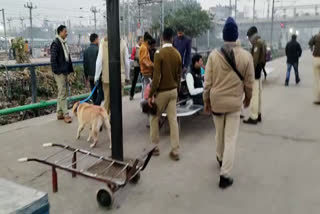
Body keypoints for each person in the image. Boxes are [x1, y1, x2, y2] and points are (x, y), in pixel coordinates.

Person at [203, 17, 254, 189]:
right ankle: (225, 174)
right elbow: (249, 82)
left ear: (223, 36)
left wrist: (206, 101)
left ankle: (219, 157)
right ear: (237, 35)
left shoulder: (213, 55)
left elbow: (207, 83)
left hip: (216, 102)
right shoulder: (246, 56)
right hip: (233, 105)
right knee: (230, 138)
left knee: (219, 133)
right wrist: (248, 98)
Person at [148, 28, 182, 161]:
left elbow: (156, 77)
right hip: (174, 91)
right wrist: (177, 90)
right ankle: (175, 150)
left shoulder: (158, 53)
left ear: (162, 38)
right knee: (173, 120)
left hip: (162, 92)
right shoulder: (177, 54)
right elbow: (179, 76)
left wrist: (151, 94)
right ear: (172, 38)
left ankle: (154, 147)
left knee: (154, 117)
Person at [95, 37, 129, 114]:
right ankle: (115, 122)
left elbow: (99, 61)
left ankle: (106, 120)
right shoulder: (123, 43)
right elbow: (127, 62)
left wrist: (96, 77)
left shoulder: (103, 43)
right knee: (117, 102)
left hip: (107, 77)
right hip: (120, 78)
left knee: (107, 101)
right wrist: (127, 76)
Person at [50, 25, 74, 123]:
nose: (66, 33)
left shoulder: (64, 43)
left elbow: (68, 58)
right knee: (63, 92)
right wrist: (57, 71)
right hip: (59, 72)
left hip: (64, 71)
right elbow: (53, 59)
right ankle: (66, 114)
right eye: (65, 31)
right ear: (60, 32)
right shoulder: (56, 43)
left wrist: (70, 71)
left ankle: (59, 113)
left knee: (61, 92)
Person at [243, 26, 266, 125]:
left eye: (249, 37)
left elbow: (254, 60)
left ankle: (253, 116)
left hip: (256, 71)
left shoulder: (257, 43)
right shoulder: (262, 41)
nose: (249, 40)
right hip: (260, 70)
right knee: (259, 94)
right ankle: (259, 114)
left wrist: (249, 71)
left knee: (254, 95)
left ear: (252, 36)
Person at [83, 33, 104, 105]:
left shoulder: (86, 51)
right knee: (101, 92)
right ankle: (96, 106)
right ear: (95, 39)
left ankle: (95, 108)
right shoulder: (98, 50)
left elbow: (85, 64)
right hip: (98, 76)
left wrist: (86, 76)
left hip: (90, 76)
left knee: (93, 93)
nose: (98, 40)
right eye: (98, 39)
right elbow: (100, 63)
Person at [130, 36, 143, 100]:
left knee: (144, 80)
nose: (141, 41)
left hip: (142, 65)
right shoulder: (135, 48)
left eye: (142, 40)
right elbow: (132, 56)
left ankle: (144, 94)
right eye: (140, 40)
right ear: (138, 41)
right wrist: (136, 58)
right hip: (136, 66)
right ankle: (131, 95)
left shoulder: (143, 47)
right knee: (134, 80)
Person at [309, 31, 320, 104]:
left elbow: (310, 42)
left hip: (316, 58)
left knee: (317, 80)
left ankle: (318, 99)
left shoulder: (316, 37)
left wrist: (312, 49)